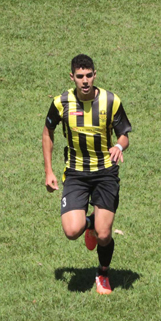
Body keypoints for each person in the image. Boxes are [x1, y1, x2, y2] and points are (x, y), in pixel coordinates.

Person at [42, 54, 132, 295]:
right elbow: (47, 132)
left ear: (95, 75)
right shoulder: (61, 102)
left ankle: (102, 273)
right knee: (72, 231)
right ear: (72, 77)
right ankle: (88, 222)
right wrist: (48, 170)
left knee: (104, 235)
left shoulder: (110, 101)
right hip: (75, 174)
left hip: (105, 173)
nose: (85, 81)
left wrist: (119, 146)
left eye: (89, 75)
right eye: (79, 76)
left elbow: (124, 133)